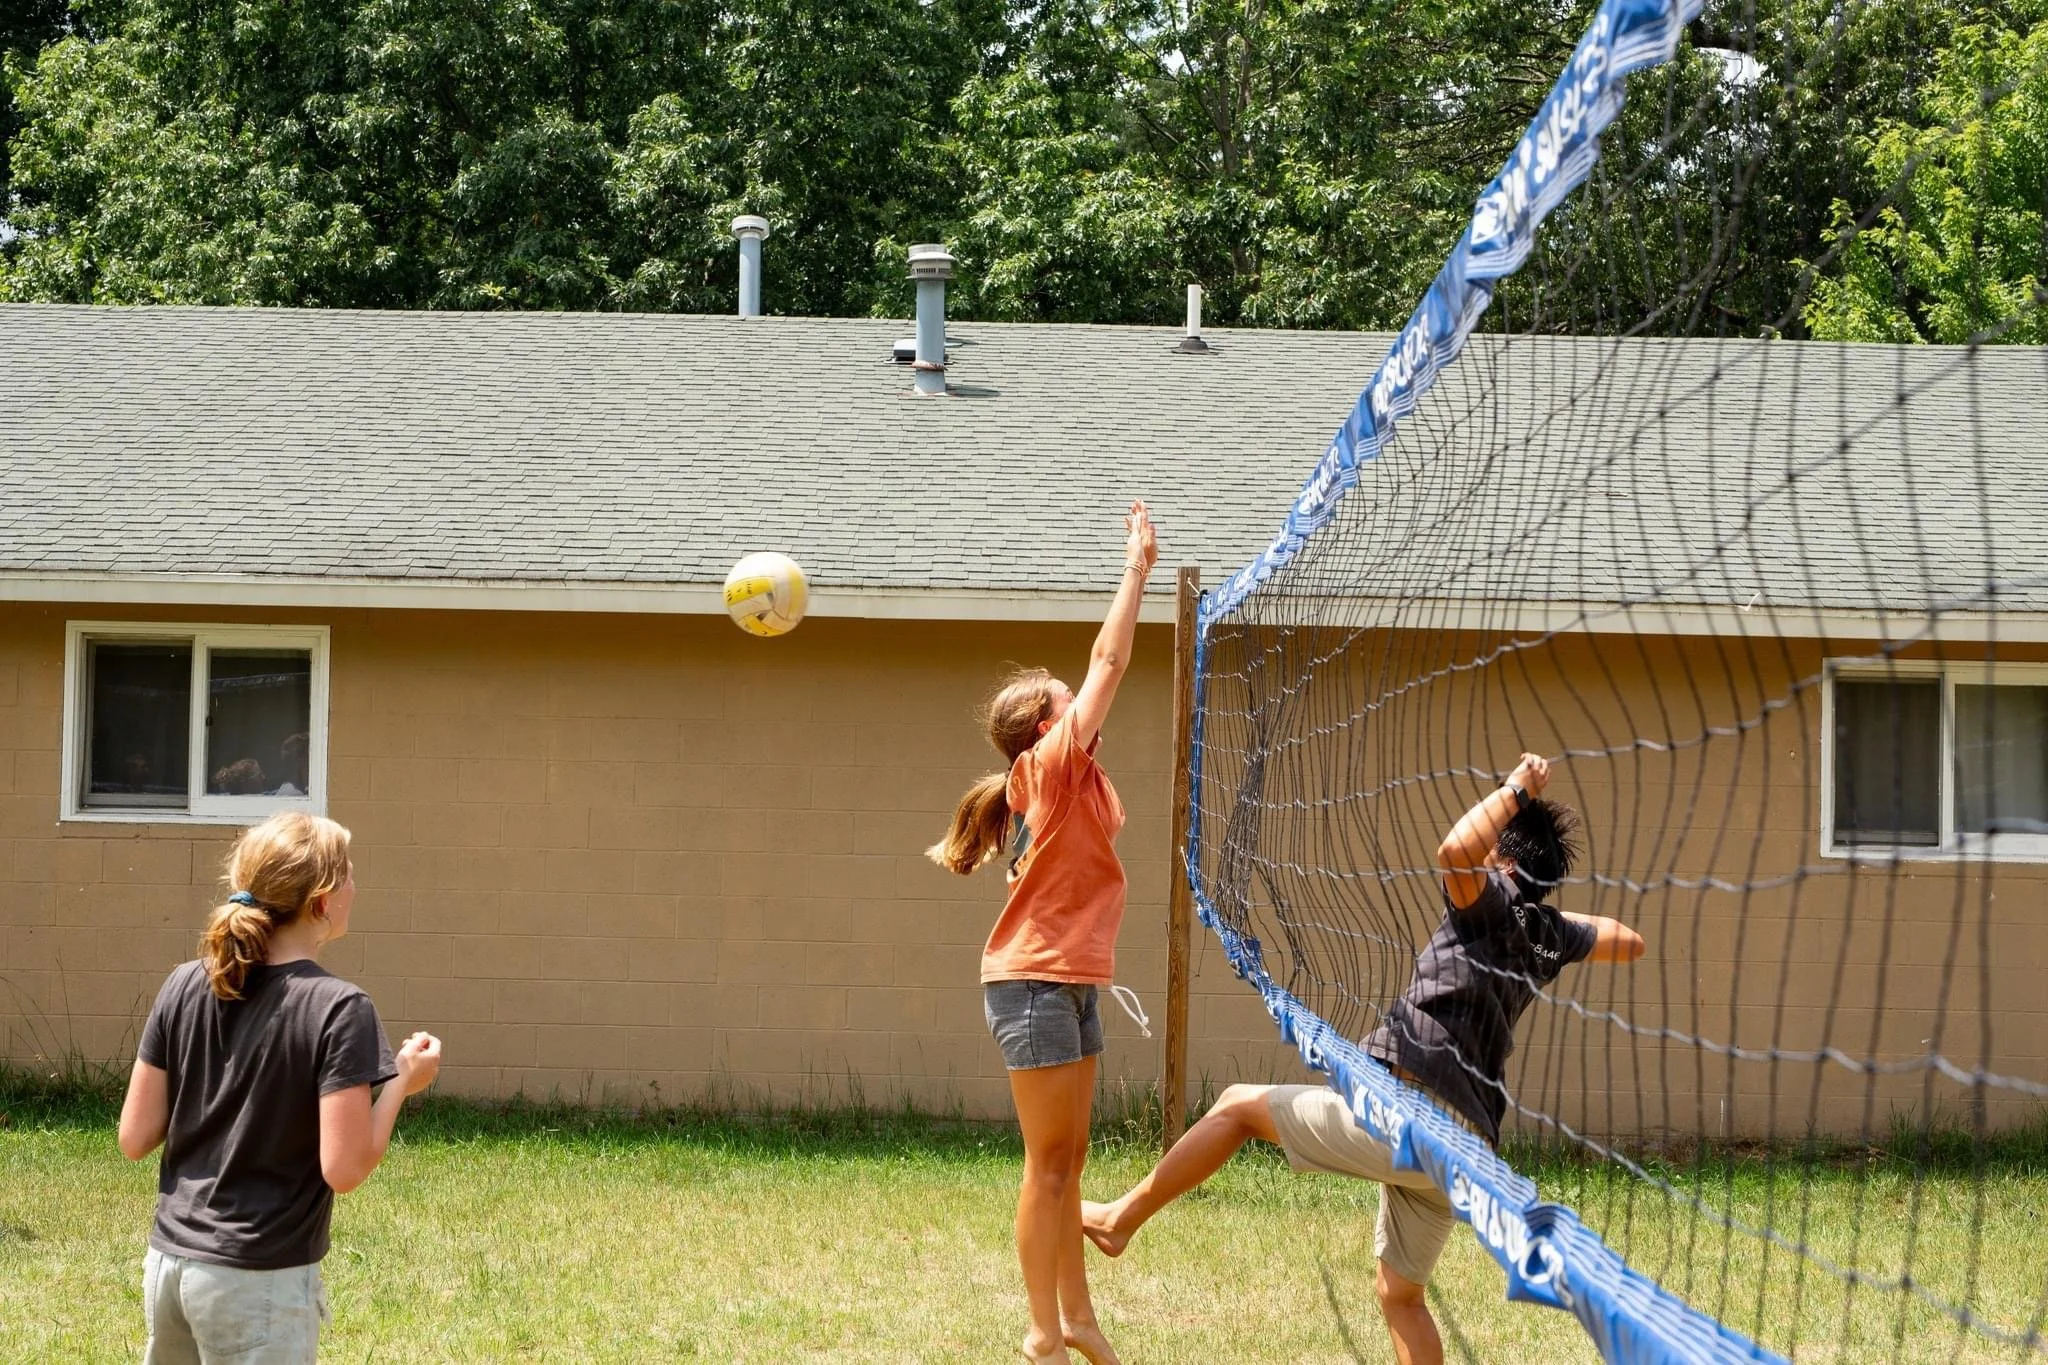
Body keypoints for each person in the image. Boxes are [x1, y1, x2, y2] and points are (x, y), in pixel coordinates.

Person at [1079, 753, 1645, 1365]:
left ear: (1503, 860)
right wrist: (1556, 921)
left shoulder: (1487, 900)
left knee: (1236, 1106)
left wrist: (1517, 789)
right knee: (1400, 1295)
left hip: (1413, 1122)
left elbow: (1455, 851)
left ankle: (1119, 1220)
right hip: (1468, 1153)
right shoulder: (1546, 933)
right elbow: (1628, 940)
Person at [929, 500, 1159, 1365]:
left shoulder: (1078, 780)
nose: (1081, 694)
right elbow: (1110, 656)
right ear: (1044, 723)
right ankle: (1042, 1334)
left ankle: (1080, 1318)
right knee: (1050, 1167)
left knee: (1070, 1159)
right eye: (1064, 698)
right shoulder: (1052, 763)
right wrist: (1136, 566)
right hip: (1030, 982)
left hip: (1069, 978)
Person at [117, 811, 443, 1364]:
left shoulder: (183, 983)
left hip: (169, 1268)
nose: (356, 889)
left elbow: (134, 1136)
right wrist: (402, 1082)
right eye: (350, 877)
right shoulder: (341, 1008)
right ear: (321, 902)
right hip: (257, 1278)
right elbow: (345, 1169)